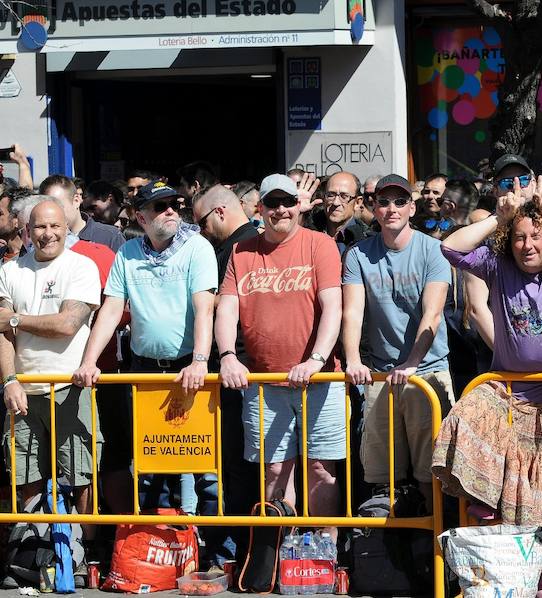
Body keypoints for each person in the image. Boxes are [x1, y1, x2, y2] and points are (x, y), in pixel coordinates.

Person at [433, 174, 542, 598]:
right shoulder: (497, 266)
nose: (527, 245)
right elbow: (451, 248)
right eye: (518, 237)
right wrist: (500, 217)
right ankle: (488, 499)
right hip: (510, 393)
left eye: (536, 236)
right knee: (468, 410)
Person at [73, 180, 217, 511]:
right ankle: (157, 549)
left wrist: (199, 361)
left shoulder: (197, 248)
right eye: (160, 206)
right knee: (152, 463)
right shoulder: (127, 252)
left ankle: (216, 556)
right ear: (141, 218)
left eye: (175, 205)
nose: (171, 211)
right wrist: (89, 361)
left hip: (189, 368)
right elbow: (110, 309)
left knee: (204, 466)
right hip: (145, 370)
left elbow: (204, 308)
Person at [216, 172, 345, 538]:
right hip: (264, 383)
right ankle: (283, 555)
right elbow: (226, 309)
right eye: (272, 203)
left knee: (321, 470)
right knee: (275, 471)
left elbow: (333, 308)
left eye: (287, 202)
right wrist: (227, 354)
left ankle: (326, 553)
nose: (280, 210)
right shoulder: (242, 252)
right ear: (260, 209)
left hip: (320, 380)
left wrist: (316, 359)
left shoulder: (320, 245)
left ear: (298, 206)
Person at [342, 174, 454, 511]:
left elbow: (432, 315)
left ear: (412, 206)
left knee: (430, 475)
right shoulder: (358, 254)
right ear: (373, 207)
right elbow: (352, 313)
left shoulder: (433, 249)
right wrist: (351, 359)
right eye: (384, 201)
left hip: (428, 371)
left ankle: (430, 554)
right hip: (380, 372)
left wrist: (412, 363)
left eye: (400, 201)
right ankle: (390, 556)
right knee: (381, 476)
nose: (392, 208)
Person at [0, 198, 101, 545]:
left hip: (70, 389)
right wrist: (10, 380)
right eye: (40, 227)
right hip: (24, 391)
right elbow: (2, 335)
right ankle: (33, 551)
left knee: (81, 477)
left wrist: (16, 319)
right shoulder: (10, 270)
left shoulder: (82, 267)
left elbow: (67, 324)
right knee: (25, 477)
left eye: (55, 226)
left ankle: (89, 554)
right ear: (27, 231)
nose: (48, 234)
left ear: (65, 227)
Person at [39, 176, 125, 252]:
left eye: (58, 206)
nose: (52, 214)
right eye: (47, 209)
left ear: (76, 201)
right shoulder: (44, 240)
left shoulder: (110, 236)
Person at [317, 171, 370, 254]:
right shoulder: (309, 233)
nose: (336, 202)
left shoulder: (366, 242)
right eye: (331, 195)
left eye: (344, 196)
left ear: (357, 203)